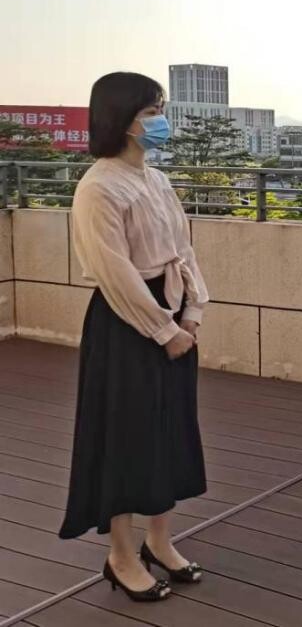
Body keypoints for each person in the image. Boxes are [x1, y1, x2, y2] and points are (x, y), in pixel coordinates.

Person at [59, 72, 209, 603]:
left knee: (167, 431)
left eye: (160, 109)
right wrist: (164, 330)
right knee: (124, 437)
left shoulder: (157, 180)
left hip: (172, 310)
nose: (160, 120)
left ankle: (159, 540)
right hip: (126, 324)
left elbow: (183, 250)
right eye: (151, 112)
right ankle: (120, 555)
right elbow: (115, 272)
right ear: (121, 118)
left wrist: (193, 310)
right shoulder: (98, 186)